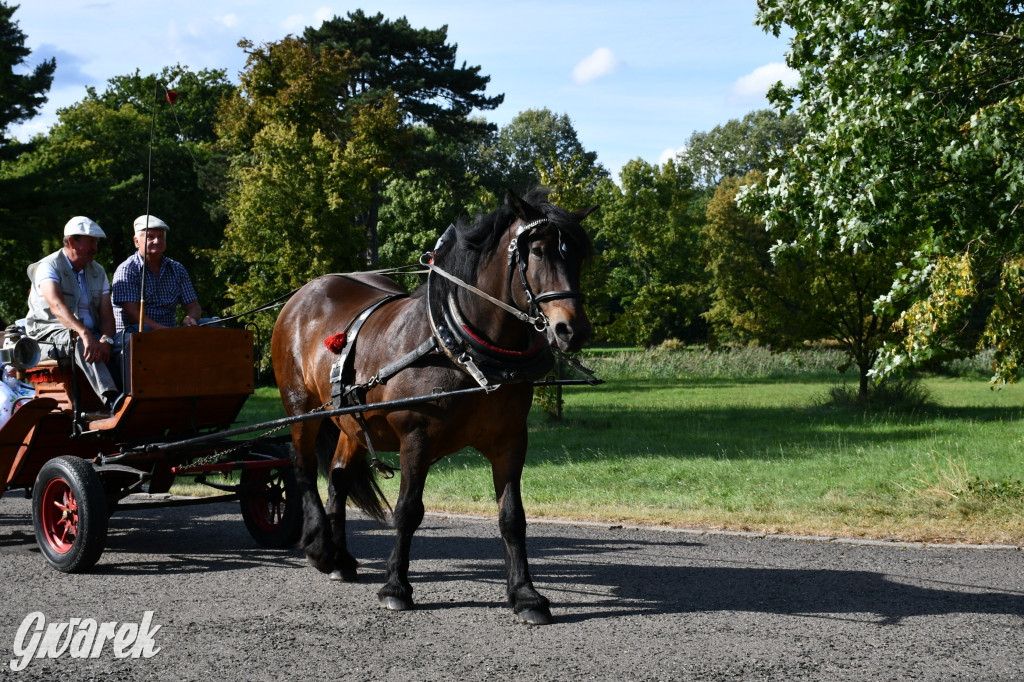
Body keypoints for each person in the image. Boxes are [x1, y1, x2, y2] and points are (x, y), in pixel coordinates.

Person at [25, 216, 120, 410]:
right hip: (47, 336)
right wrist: (84, 333)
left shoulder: (98, 271)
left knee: (129, 341)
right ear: (71, 241)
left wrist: (107, 340)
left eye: (96, 242)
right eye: (91, 241)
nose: (95, 247)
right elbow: (57, 307)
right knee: (77, 340)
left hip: (89, 335)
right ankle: (111, 399)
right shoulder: (49, 266)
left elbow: (108, 316)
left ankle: (136, 398)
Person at [111, 215, 201, 332]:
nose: (157, 241)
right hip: (135, 336)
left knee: (208, 324)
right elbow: (133, 315)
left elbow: (193, 306)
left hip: (169, 334)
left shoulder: (177, 269)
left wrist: (191, 317)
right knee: (140, 328)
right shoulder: (127, 270)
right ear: (136, 241)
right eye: (150, 237)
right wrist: (167, 332)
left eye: (161, 237)